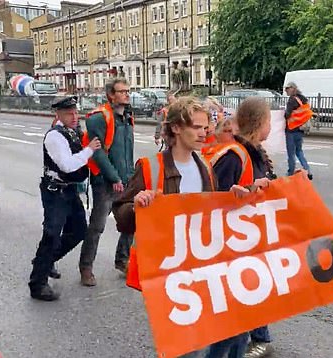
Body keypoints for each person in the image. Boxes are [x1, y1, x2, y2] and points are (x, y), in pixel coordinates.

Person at [113, 96, 249, 357]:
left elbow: (211, 215)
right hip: (167, 271)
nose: (204, 132)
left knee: (203, 341)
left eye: (206, 127)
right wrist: (136, 205)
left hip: (199, 265)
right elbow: (120, 215)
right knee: (188, 349)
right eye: (197, 127)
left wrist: (231, 197)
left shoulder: (206, 167)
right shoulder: (151, 167)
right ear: (175, 128)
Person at [206, 97, 277, 358]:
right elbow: (216, 200)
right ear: (260, 123)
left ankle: (256, 338)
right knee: (231, 331)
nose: (271, 125)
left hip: (248, 245)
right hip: (233, 249)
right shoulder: (234, 156)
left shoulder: (253, 152)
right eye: (269, 120)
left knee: (237, 330)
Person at [28, 96, 101, 301]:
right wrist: (89, 150)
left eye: (76, 112)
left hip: (69, 190)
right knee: (52, 234)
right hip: (55, 191)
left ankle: (45, 260)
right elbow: (67, 165)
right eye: (69, 113)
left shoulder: (73, 132)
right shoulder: (54, 136)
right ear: (58, 114)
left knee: (79, 231)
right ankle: (38, 283)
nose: (74, 116)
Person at [79, 78, 135, 287]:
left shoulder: (127, 117)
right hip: (105, 181)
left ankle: (122, 260)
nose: (126, 95)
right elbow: (98, 152)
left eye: (128, 91)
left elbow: (126, 151)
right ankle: (86, 267)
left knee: (130, 221)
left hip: (125, 179)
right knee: (97, 226)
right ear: (111, 95)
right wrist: (114, 178)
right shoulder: (99, 118)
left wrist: (129, 175)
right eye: (122, 91)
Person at [284, 82, 313, 180]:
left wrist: (285, 113)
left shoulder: (292, 100)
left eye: (287, 88)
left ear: (292, 88)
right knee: (299, 151)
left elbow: (287, 115)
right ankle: (307, 170)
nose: (286, 90)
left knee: (291, 153)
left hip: (291, 130)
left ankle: (290, 172)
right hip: (300, 129)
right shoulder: (303, 98)